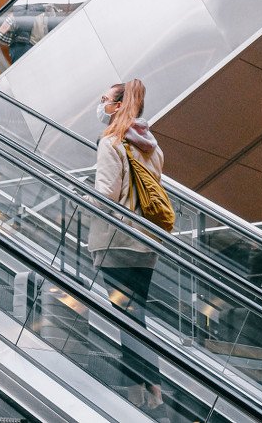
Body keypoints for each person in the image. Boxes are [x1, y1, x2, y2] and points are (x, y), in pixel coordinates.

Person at [88, 79, 170, 423]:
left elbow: (106, 194)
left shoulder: (112, 142)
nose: (101, 104)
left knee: (126, 319)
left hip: (115, 242)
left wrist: (81, 200)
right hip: (146, 245)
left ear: (118, 106)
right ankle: (147, 392)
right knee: (136, 318)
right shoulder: (152, 146)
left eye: (105, 99)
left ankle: (149, 394)